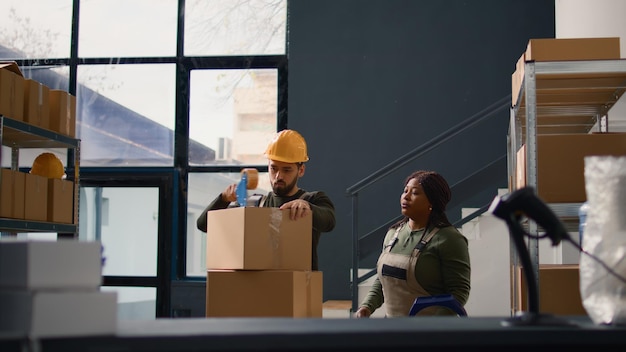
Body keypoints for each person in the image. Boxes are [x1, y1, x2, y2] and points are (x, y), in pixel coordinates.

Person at [196, 129, 336, 271]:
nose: (278, 176)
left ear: (301, 170)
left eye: (287, 170)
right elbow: (203, 224)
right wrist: (223, 199)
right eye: (273, 168)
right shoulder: (254, 204)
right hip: (260, 287)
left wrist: (307, 207)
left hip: (298, 286)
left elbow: (329, 221)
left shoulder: (313, 199)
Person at [355, 170, 471, 318]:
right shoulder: (392, 234)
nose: (406, 197)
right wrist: (366, 306)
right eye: (405, 191)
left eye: (415, 192)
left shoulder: (449, 239)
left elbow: (459, 291)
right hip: (392, 330)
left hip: (430, 334)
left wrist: (434, 325)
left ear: (432, 202)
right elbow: (383, 280)